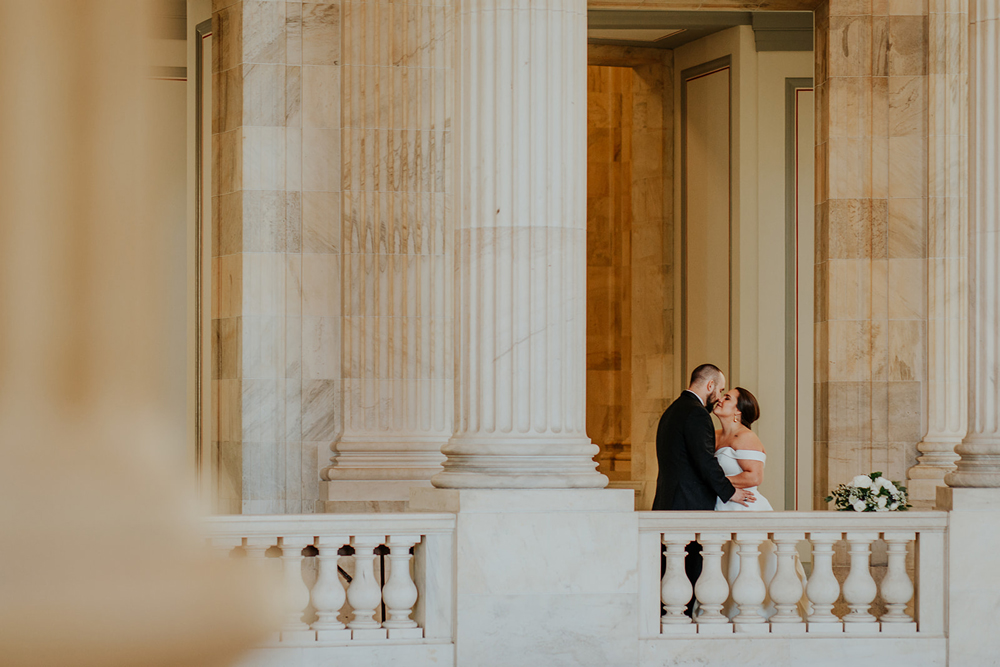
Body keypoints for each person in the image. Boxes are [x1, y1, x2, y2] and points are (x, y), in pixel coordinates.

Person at [653, 364, 755, 615]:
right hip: (688, 506)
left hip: (669, 502)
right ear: (709, 386)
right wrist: (730, 492)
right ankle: (678, 626)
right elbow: (705, 462)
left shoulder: (673, 410)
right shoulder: (696, 414)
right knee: (687, 575)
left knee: (670, 574)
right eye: (719, 389)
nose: (719, 396)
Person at [712, 386, 808, 620]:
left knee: (746, 566)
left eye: (727, 398)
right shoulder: (714, 434)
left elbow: (754, 477)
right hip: (720, 507)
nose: (719, 399)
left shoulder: (745, 437)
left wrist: (716, 483)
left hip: (743, 508)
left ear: (738, 411)